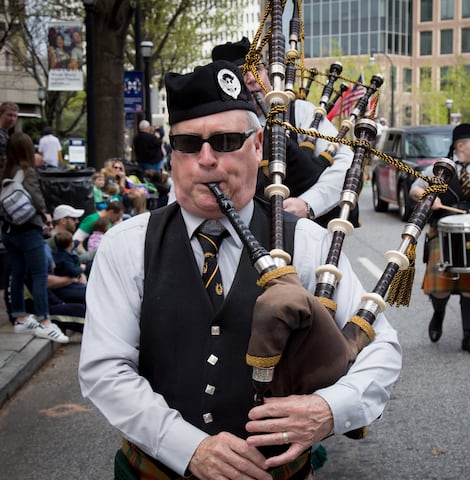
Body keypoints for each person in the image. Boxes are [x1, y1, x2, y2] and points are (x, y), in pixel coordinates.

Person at [79, 60, 401, 480]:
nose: (207, 160)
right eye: (189, 144)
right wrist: (188, 447)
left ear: (259, 145)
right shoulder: (126, 246)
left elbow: (380, 345)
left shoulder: (306, 241)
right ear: (171, 155)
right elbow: (105, 369)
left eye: (227, 140)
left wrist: (330, 408)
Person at [211, 37, 354, 227]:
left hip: (307, 235)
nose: (253, 78)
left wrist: (308, 204)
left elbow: (347, 163)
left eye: (258, 69)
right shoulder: (216, 130)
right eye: (242, 73)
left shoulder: (299, 112)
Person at [409, 123, 470, 355]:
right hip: (442, 233)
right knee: (440, 289)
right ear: (460, 146)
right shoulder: (440, 168)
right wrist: (429, 199)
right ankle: (439, 314)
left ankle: (468, 336)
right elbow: (414, 189)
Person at [0, 132, 68, 343]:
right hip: (29, 231)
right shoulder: (28, 172)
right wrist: (46, 217)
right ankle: (45, 321)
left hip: (9, 231)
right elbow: (37, 200)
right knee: (40, 275)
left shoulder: (6, 172)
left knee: (18, 273)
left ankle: (20, 316)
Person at [0, 102, 19, 166]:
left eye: (15, 116)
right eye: (9, 115)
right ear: (1, 114)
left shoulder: (6, 133)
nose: (12, 119)